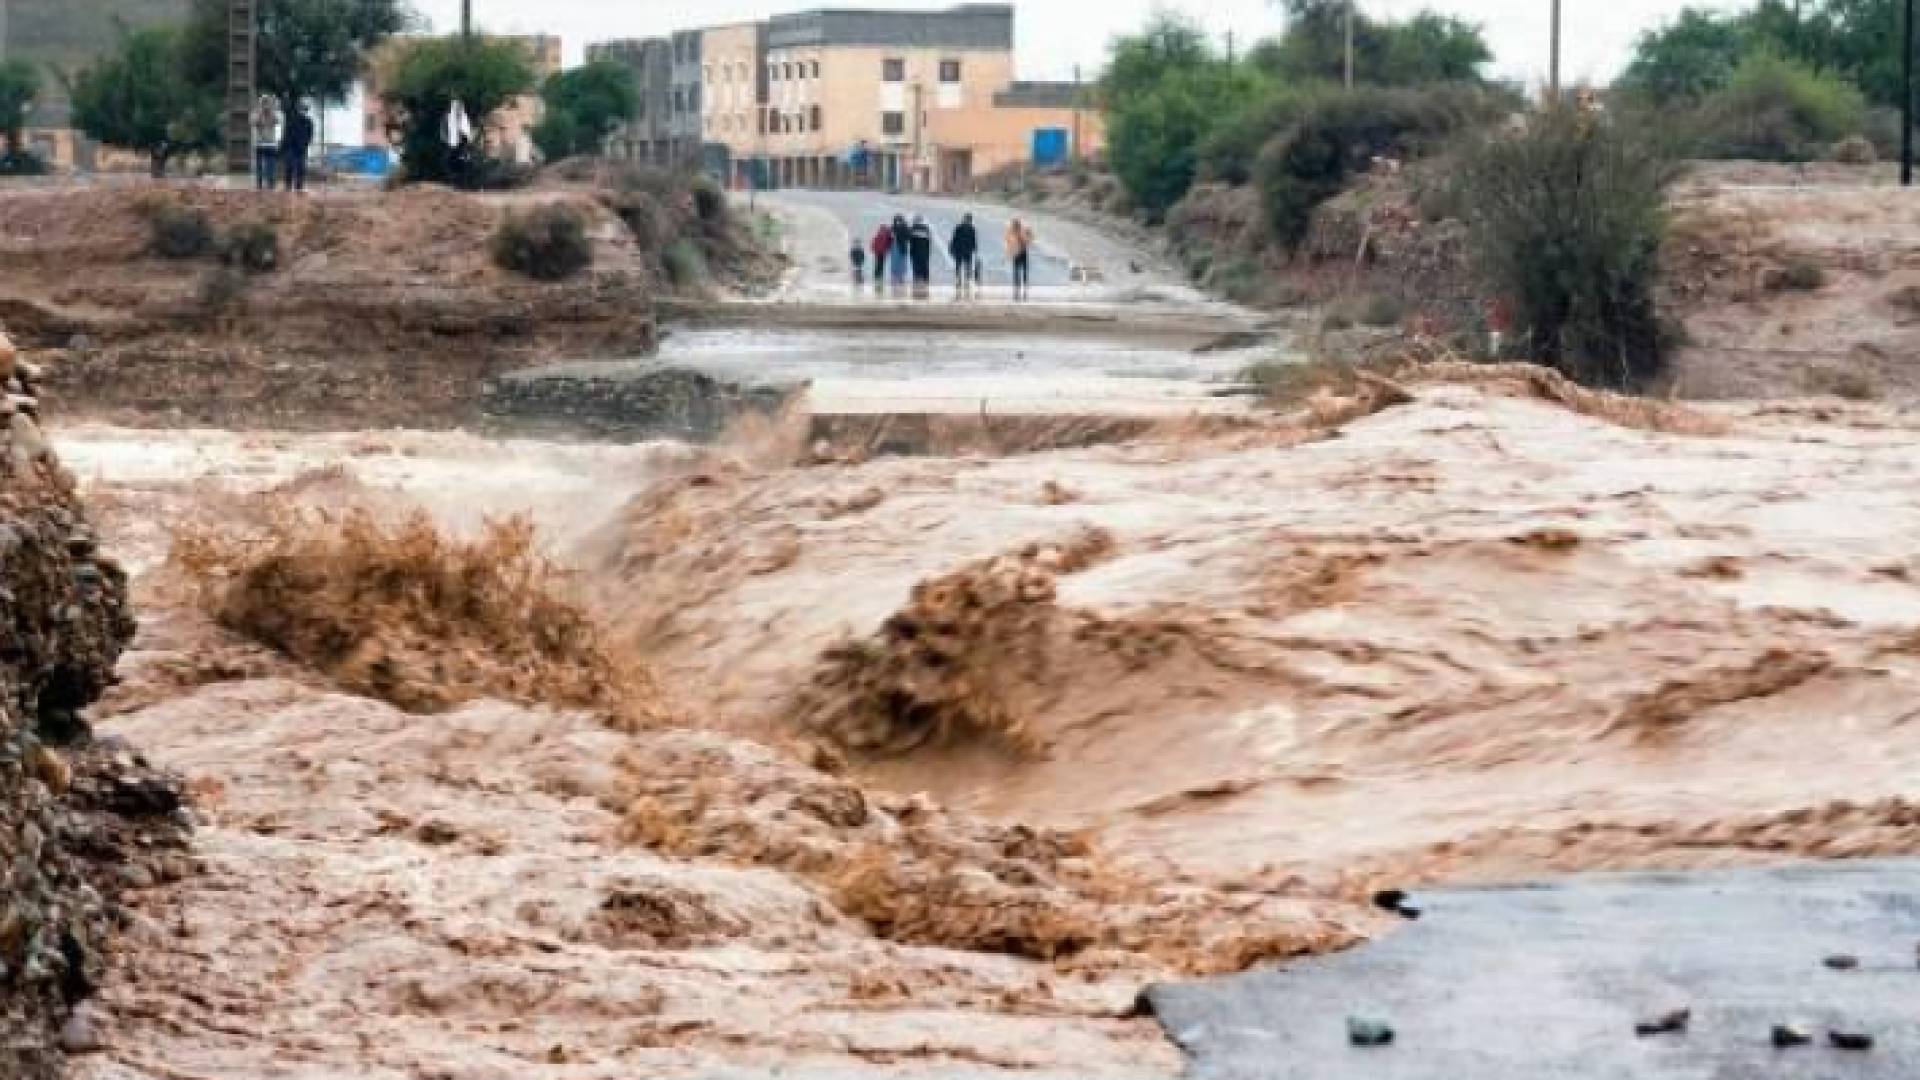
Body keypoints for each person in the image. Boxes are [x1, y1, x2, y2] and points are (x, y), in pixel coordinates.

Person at [281, 101, 315, 193]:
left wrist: (305, 145)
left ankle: (299, 186)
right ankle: (287, 186)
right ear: (298, 109)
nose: (303, 111)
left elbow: (310, 135)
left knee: (301, 167)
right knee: (289, 166)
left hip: (302, 148)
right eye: (301, 109)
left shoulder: (309, 122)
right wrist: (283, 147)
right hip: (291, 147)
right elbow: (286, 134)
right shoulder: (292, 120)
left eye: (305, 109)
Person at [252, 96, 281, 192]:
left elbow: (278, 121)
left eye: (266, 103)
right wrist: (261, 113)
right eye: (264, 103)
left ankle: (269, 184)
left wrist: (270, 111)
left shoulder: (272, 114)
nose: (265, 106)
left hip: (269, 144)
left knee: (270, 165)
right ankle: (262, 184)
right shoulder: (257, 114)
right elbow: (252, 122)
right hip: (261, 144)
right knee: (262, 165)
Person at [949, 213, 979, 297]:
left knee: (962, 266)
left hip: (961, 250)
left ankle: (962, 280)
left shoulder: (960, 227)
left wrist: (952, 248)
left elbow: (954, 239)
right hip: (965, 250)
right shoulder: (970, 228)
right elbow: (974, 241)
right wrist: (974, 249)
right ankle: (963, 280)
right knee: (964, 266)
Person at [1006, 217, 1034, 299]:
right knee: (1020, 271)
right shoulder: (1013, 232)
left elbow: (1029, 239)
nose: (1015, 225)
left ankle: (1019, 288)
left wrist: (1009, 252)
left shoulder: (1015, 231)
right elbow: (1009, 243)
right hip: (1019, 253)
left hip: (1019, 253)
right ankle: (1020, 287)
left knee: (1019, 271)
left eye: (1015, 224)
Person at [908, 214, 934, 295]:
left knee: (916, 270)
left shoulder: (912, 229)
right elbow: (929, 242)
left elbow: (910, 242)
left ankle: (917, 286)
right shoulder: (926, 229)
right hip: (924, 252)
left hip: (915, 253)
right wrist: (928, 252)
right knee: (925, 269)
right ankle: (925, 285)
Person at [888, 215, 910, 289]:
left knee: (902, 262)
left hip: (901, 247)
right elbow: (889, 237)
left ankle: (901, 277)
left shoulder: (905, 227)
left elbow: (907, 237)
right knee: (894, 262)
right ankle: (894, 276)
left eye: (899, 220)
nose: (898, 222)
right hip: (894, 247)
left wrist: (897, 236)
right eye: (897, 221)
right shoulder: (892, 227)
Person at [869, 224, 892, 294]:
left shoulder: (879, 235)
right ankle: (878, 277)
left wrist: (874, 250)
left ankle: (878, 277)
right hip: (881, 252)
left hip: (880, 252)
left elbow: (873, 244)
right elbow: (888, 243)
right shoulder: (883, 235)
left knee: (879, 265)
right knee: (880, 265)